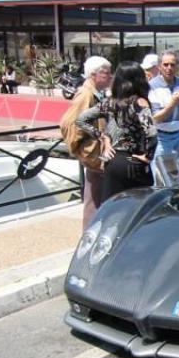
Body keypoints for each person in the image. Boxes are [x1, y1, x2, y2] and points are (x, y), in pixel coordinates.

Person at [76, 61, 157, 202]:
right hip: (133, 162)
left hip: (112, 161)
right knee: (137, 209)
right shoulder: (140, 102)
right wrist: (148, 157)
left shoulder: (110, 102)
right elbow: (152, 134)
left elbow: (81, 120)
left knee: (112, 209)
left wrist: (103, 137)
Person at [59, 56, 113, 230]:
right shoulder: (86, 94)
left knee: (97, 200)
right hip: (96, 158)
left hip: (99, 157)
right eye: (106, 73)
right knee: (93, 202)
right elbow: (69, 123)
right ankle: (89, 241)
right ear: (93, 74)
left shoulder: (96, 94)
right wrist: (88, 149)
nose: (110, 76)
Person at [148, 50, 179, 184]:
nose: (169, 68)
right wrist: (171, 104)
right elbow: (156, 118)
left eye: (172, 65)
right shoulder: (153, 86)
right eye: (165, 64)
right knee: (160, 177)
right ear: (160, 66)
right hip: (162, 137)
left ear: (177, 66)